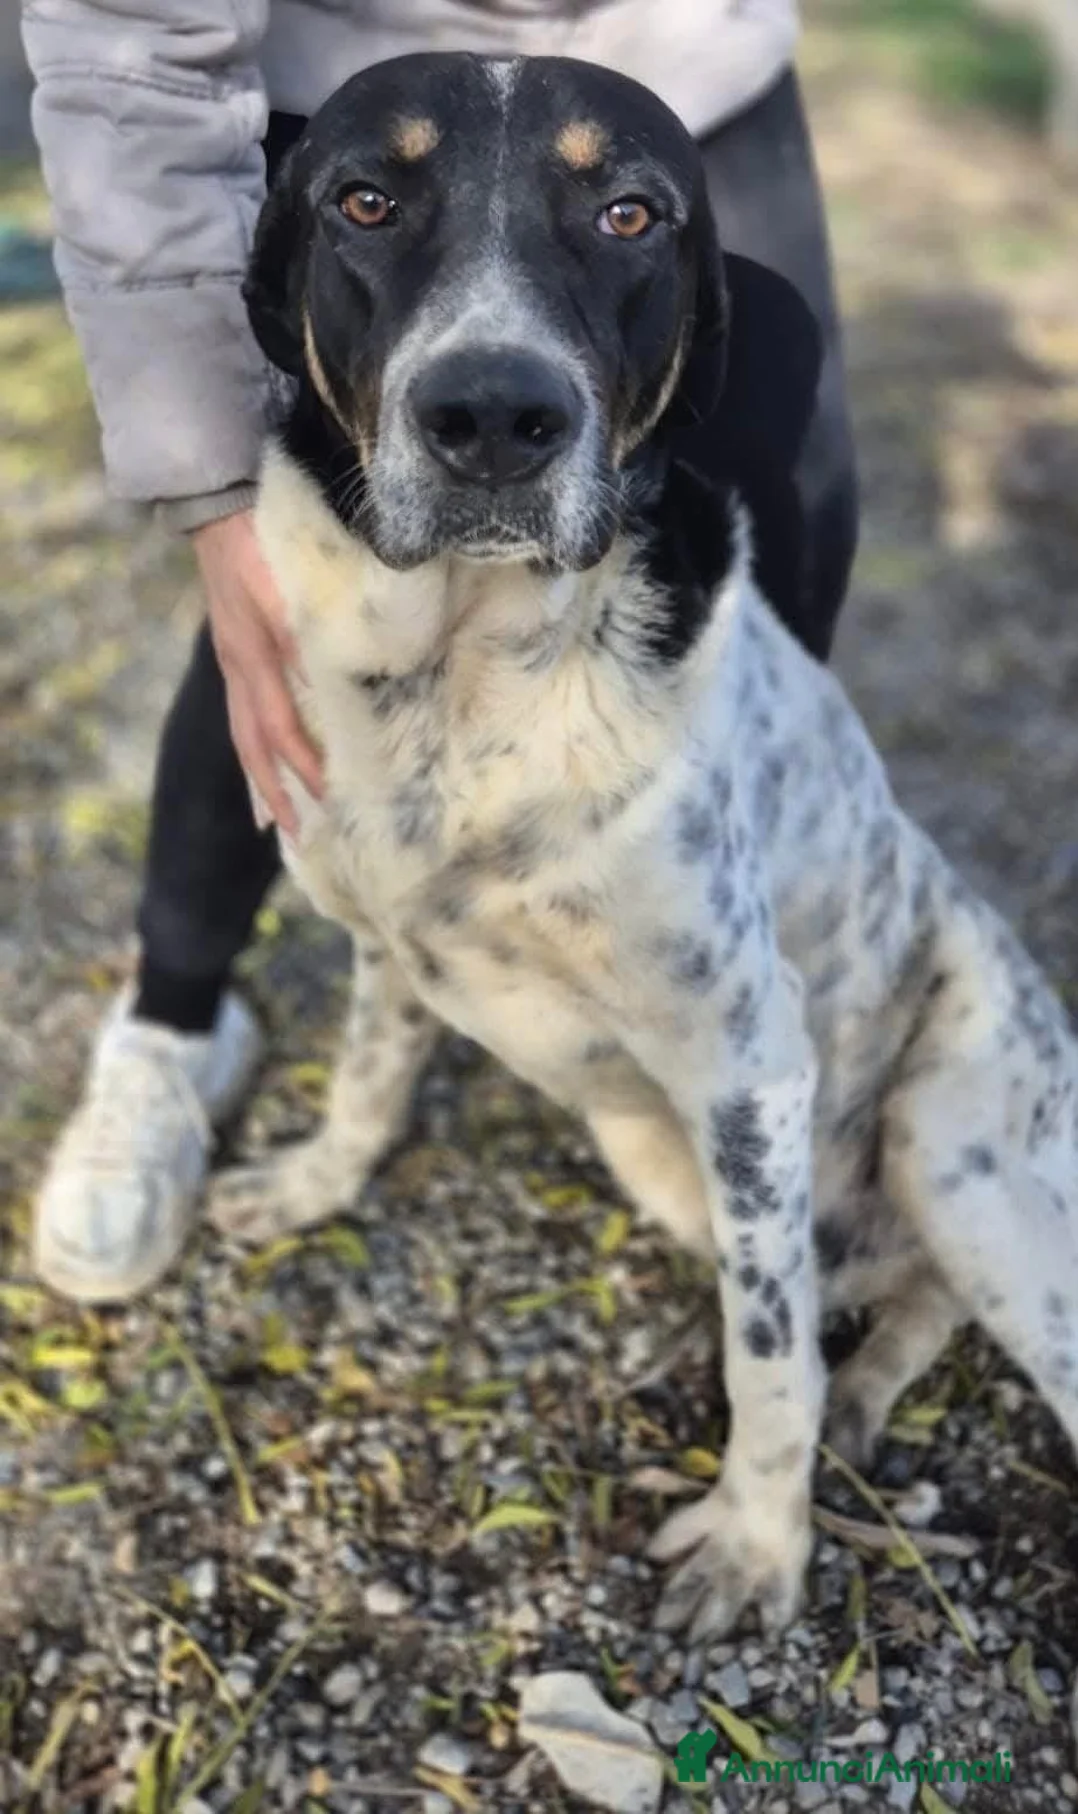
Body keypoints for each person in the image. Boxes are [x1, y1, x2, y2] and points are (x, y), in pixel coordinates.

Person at [21, 0, 858, 1304]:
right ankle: (174, 1020)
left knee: (786, 531)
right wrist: (218, 500)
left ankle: (712, 965)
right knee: (275, 608)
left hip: (685, 44)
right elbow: (127, 41)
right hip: (345, 57)